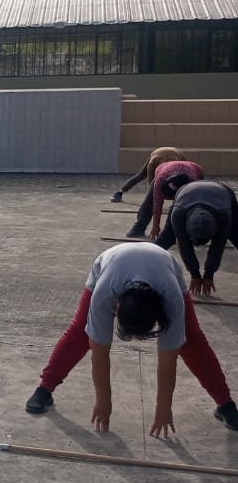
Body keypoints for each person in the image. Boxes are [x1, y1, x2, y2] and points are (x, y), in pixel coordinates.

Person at [24, 242, 238, 435]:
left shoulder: (172, 300)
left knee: (191, 339)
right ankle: (44, 388)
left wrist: (163, 408)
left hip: (164, 266)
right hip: (111, 263)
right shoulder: (104, 293)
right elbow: (99, 354)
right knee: (81, 331)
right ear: (116, 306)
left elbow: (168, 361)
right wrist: (103, 401)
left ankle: (225, 403)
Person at [154, 180, 238, 297]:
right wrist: (195, 274)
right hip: (185, 193)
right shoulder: (178, 215)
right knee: (167, 237)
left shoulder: (224, 215)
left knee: (235, 234)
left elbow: (217, 247)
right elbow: (184, 245)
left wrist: (208, 275)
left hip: (222, 192)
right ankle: (145, 258)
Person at [128, 158, 202, 239]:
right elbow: (157, 206)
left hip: (194, 168)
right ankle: (138, 228)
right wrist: (155, 226)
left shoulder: (193, 184)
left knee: (196, 205)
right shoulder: (159, 182)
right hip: (163, 169)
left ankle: (196, 231)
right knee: (149, 200)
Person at [110, 146, 184, 203]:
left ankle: (177, 200)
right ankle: (119, 193)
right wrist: (149, 200)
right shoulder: (153, 163)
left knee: (179, 181)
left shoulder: (180, 165)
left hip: (176, 152)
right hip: (157, 154)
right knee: (141, 175)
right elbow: (150, 183)